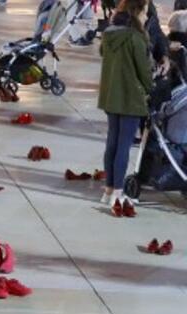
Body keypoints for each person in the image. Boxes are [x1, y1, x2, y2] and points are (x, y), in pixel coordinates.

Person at [99, 0, 154, 204]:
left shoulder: (109, 34)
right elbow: (144, 74)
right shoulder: (135, 38)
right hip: (130, 98)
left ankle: (108, 189)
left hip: (110, 97)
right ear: (137, 11)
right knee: (124, 145)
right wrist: (151, 89)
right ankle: (118, 191)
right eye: (145, 13)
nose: (146, 17)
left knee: (112, 143)